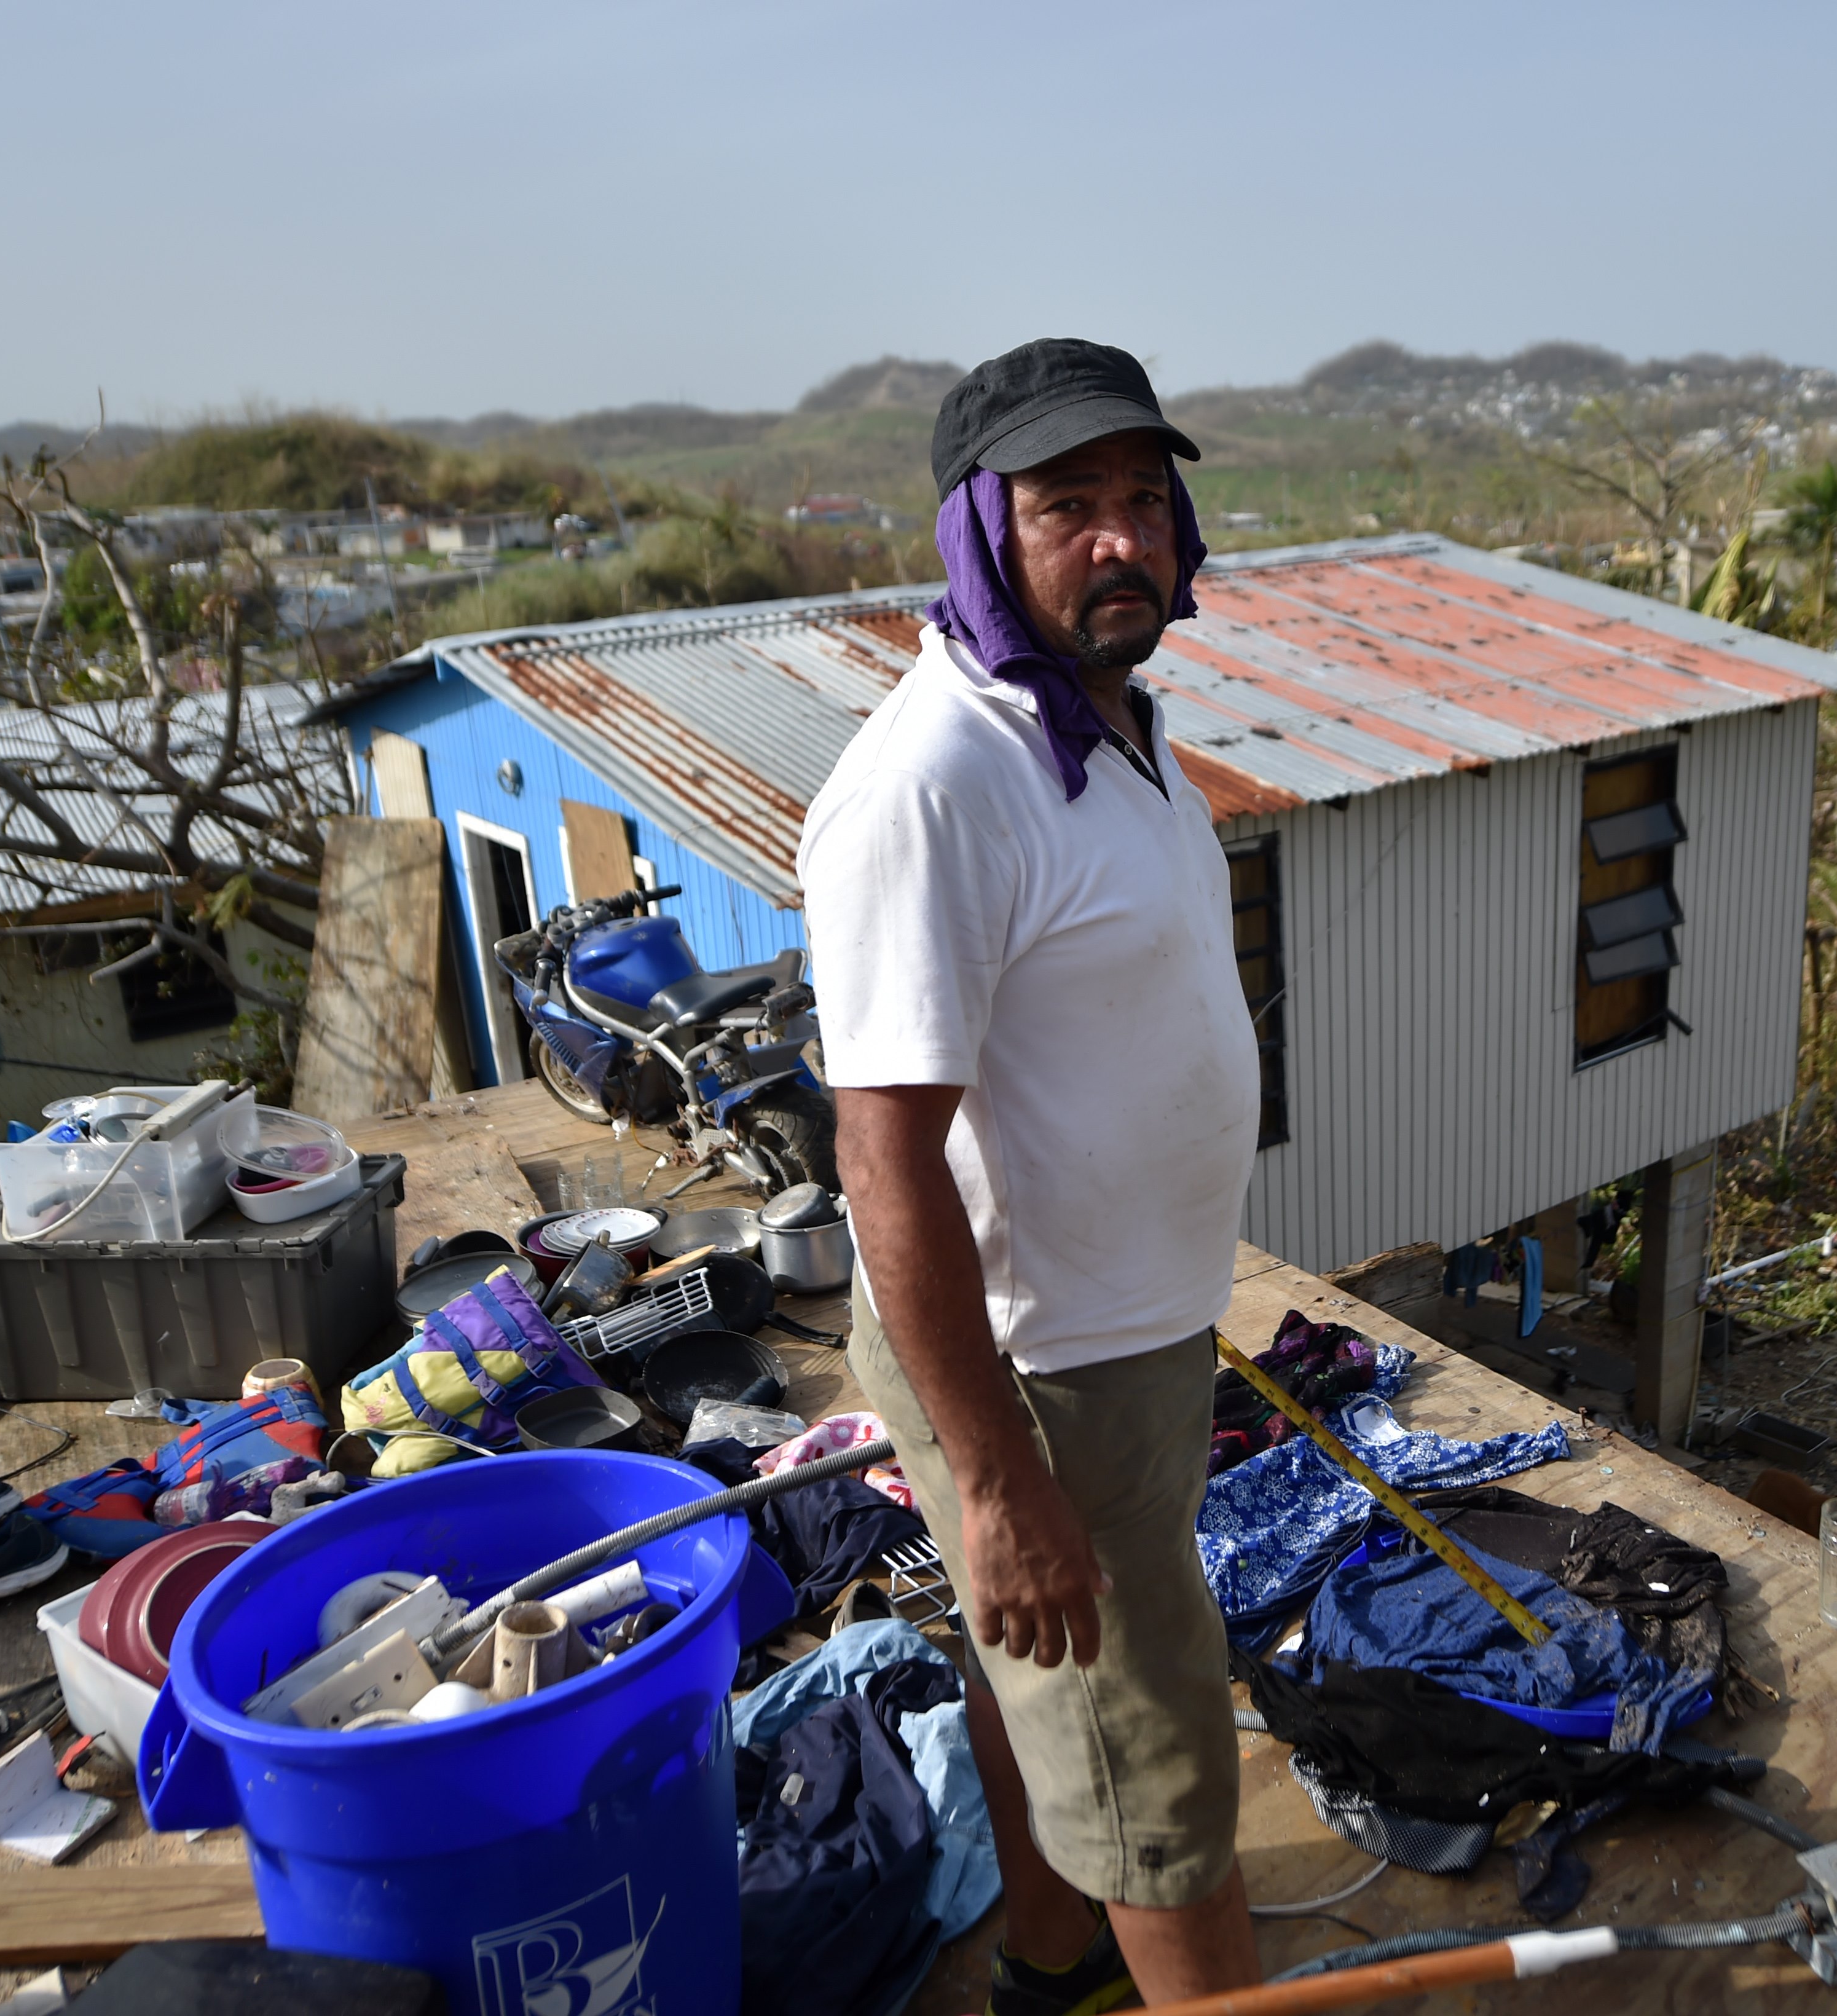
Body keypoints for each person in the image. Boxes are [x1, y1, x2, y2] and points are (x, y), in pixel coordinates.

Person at [795, 337, 1264, 2011]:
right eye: (1073, 507)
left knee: (1047, 1681)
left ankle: (1046, 1970)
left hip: (1126, 1342)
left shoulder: (1111, 725)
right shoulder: (936, 785)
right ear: (983, 534)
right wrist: (997, 1487)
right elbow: (884, 1159)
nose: (1127, 538)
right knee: (1163, 1775)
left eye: (1146, 499)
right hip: (1033, 1370)